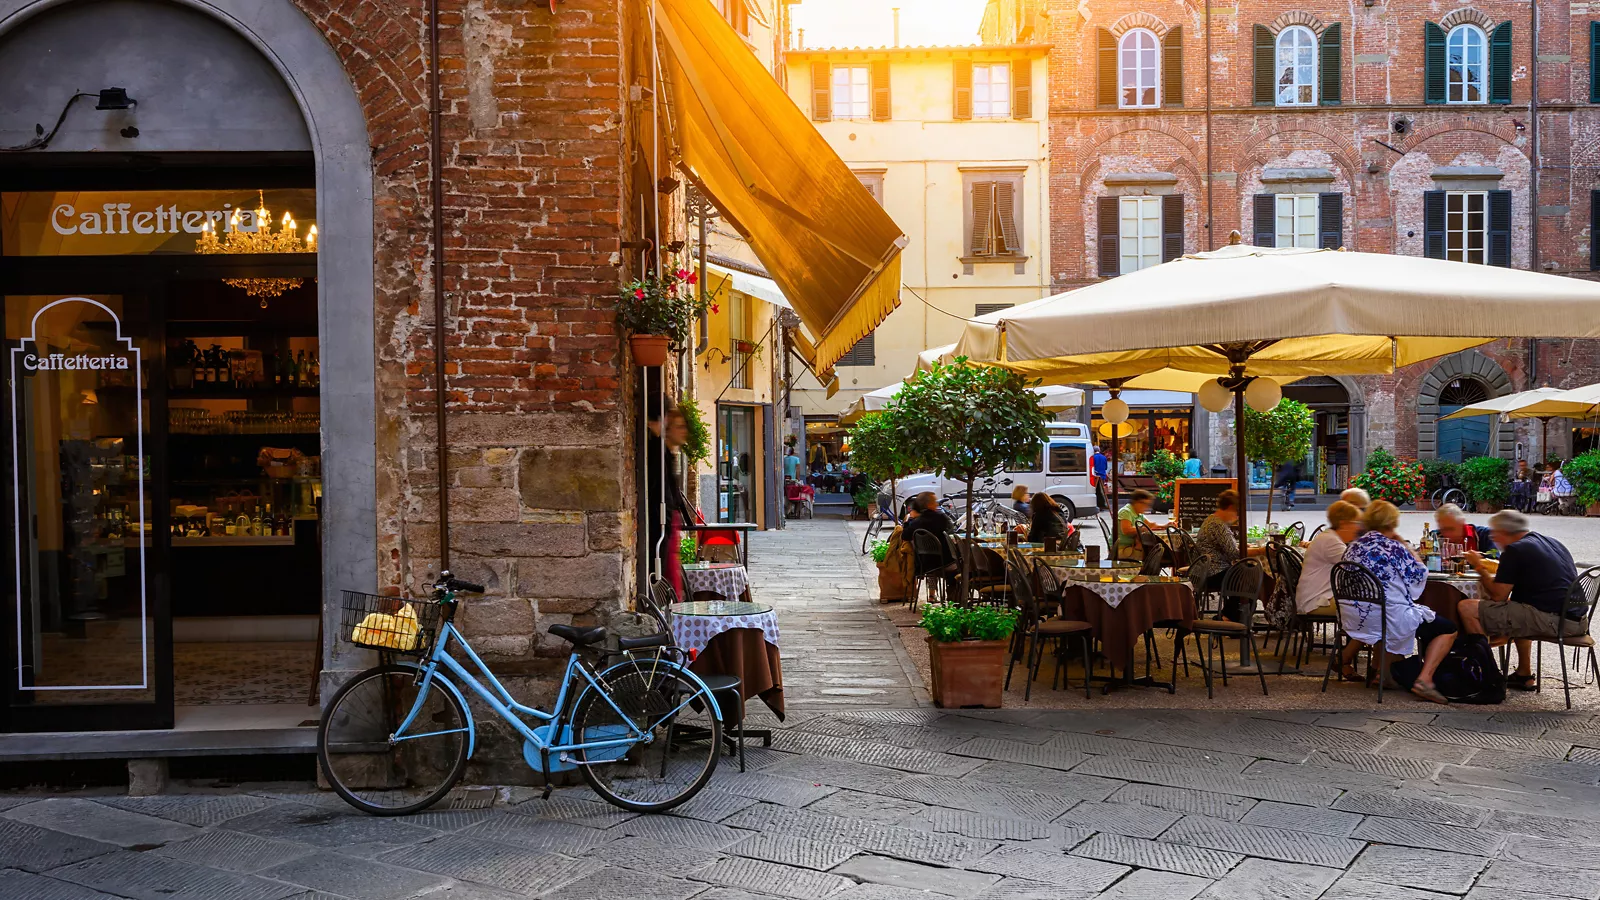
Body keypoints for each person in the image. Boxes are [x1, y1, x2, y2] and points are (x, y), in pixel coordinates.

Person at [1339, 500, 1459, 703]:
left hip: (1356, 617)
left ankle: (1382, 674)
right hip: (1386, 617)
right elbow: (1418, 577)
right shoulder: (1394, 547)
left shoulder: (1353, 546)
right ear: (1392, 523)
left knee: (1388, 610)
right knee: (1448, 629)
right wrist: (1404, 545)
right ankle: (1424, 679)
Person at [1460, 509, 1584, 691]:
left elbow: (1498, 596)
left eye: (1495, 534)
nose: (1494, 539)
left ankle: (1488, 676)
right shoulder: (1550, 541)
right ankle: (1523, 673)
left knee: (1467, 607)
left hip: (1556, 621)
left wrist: (1478, 565)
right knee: (1517, 606)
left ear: (1504, 532)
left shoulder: (1515, 549)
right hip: (1577, 619)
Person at [1187, 490, 1265, 615]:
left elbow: (1227, 547)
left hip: (1205, 570)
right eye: (1236, 512)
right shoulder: (1218, 525)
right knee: (1249, 576)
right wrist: (1261, 550)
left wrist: (1244, 546)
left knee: (1247, 571)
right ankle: (1230, 615)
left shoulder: (1212, 520)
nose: (1237, 517)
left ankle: (1233, 613)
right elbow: (1234, 553)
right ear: (1230, 508)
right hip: (1212, 572)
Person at [645, 398, 693, 598]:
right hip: (660, 523)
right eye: (679, 426)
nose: (684, 432)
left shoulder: (665, 453)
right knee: (666, 576)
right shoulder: (658, 451)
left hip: (667, 522)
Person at [1295, 500, 1362, 616]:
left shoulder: (1330, 537)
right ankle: (1360, 633)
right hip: (1315, 601)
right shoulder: (1331, 542)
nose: (1358, 528)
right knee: (1367, 606)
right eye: (1356, 523)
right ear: (1344, 524)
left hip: (1317, 596)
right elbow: (1357, 567)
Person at [1114, 490, 1155, 560]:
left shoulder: (1139, 514)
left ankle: (1149, 570)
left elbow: (1150, 525)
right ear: (1137, 503)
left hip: (1131, 547)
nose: (1147, 507)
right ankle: (1144, 570)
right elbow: (1126, 530)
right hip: (1121, 549)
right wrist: (1142, 528)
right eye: (1145, 504)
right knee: (1152, 557)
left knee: (1154, 554)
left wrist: (1166, 526)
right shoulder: (1126, 512)